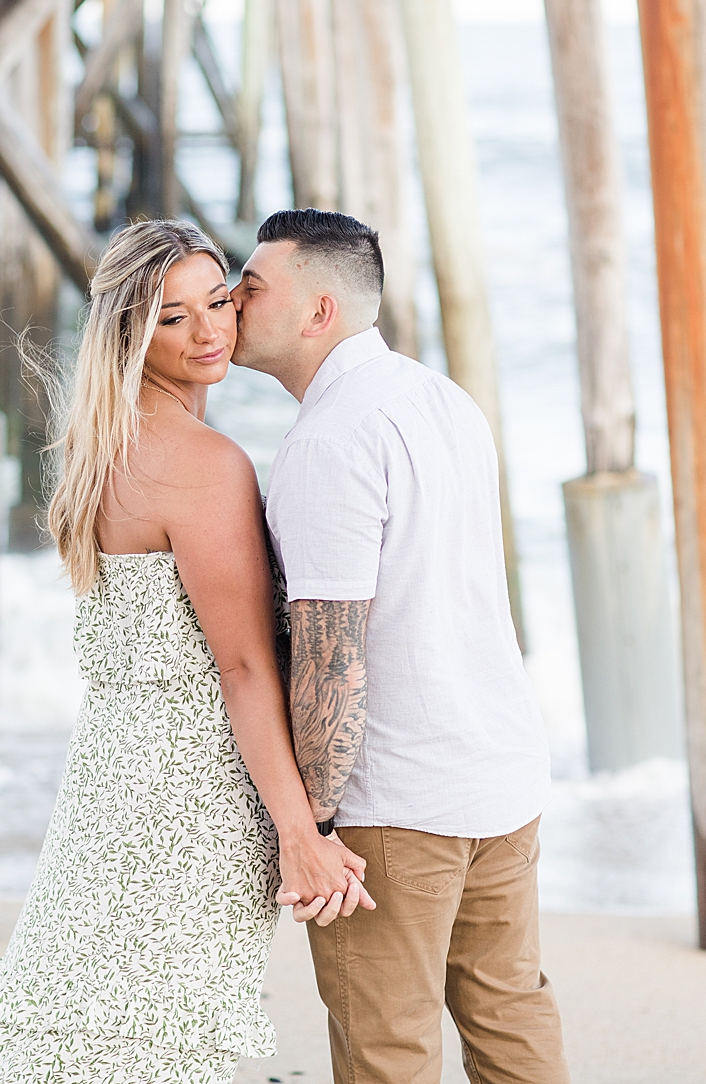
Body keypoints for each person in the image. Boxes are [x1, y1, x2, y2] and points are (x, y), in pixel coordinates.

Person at [0, 218, 371, 1084]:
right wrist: (302, 835)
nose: (210, 332)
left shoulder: (102, 447)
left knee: (62, 1011)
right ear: (127, 330)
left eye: (219, 303)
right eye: (172, 317)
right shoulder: (203, 462)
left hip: (110, 779)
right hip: (188, 802)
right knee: (149, 1036)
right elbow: (241, 668)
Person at [234, 209, 570, 1084]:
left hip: (397, 800)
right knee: (510, 1015)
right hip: (501, 771)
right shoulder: (442, 398)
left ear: (318, 314)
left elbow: (330, 658)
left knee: (388, 1048)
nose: (233, 300)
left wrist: (309, 826)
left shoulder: (329, 439)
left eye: (253, 286)